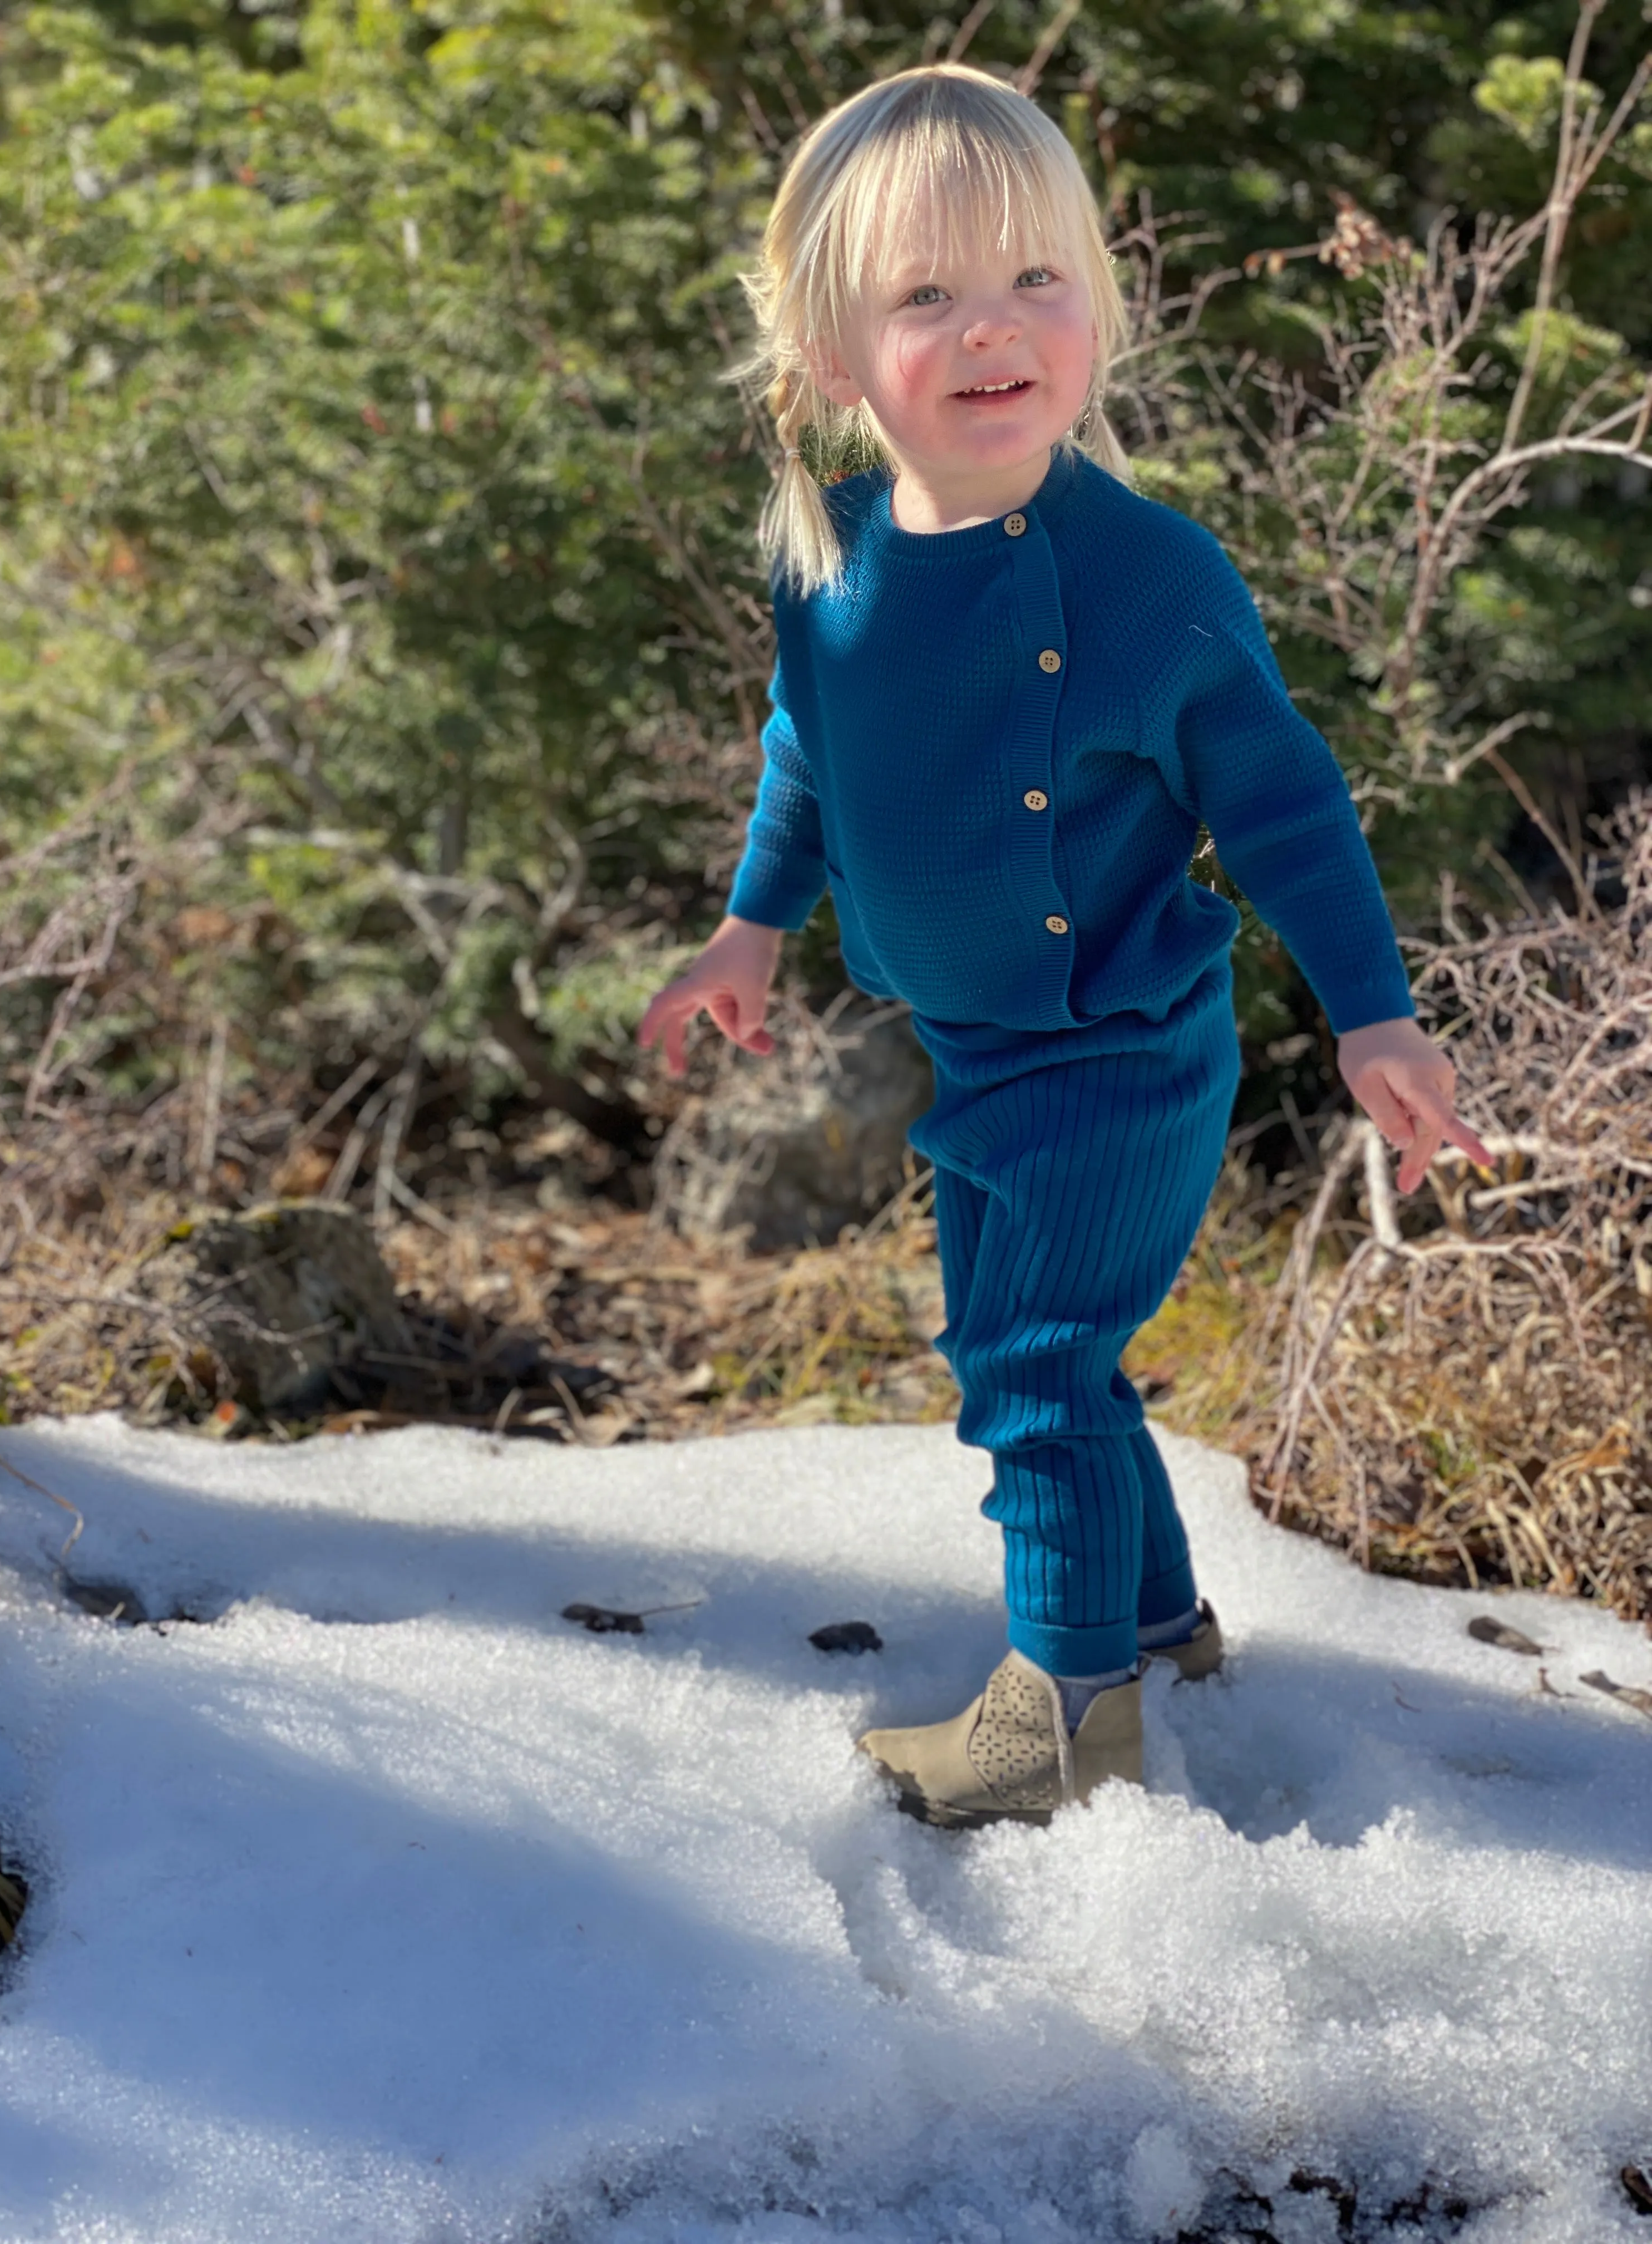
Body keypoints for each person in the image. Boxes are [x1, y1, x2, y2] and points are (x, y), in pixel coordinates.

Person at [637, 63, 1491, 1830]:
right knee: (1049, 1352)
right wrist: (747, 927)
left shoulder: (1147, 578)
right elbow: (816, 750)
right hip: (983, 1050)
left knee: (1029, 1366)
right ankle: (1162, 1626)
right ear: (826, 355)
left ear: (1095, 303)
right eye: (928, 295)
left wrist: (1375, 1017)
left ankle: (1068, 1714)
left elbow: (1284, 805)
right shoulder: (835, 563)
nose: (994, 328)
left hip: (1116, 1053)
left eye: (1036, 278)